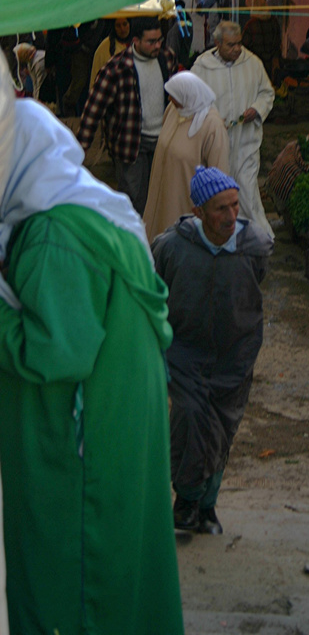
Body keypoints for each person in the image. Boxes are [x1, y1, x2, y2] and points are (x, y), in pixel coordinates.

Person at [0, 95, 184, 635]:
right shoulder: (87, 208)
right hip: (115, 428)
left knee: (80, 588)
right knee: (125, 577)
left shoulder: (55, 234)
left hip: (84, 447)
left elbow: (57, 351)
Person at [152, 166, 273, 535]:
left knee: (222, 429)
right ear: (199, 211)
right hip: (185, 352)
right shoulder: (171, 246)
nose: (231, 216)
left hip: (235, 355)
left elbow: (256, 285)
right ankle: (186, 500)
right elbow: (156, 291)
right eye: (221, 209)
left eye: (235, 206)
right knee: (190, 418)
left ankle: (206, 506)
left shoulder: (255, 246)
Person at [77, 16, 177, 215]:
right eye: (151, 41)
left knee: (158, 196)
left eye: (159, 40)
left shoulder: (166, 57)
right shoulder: (116, 68)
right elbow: (93, 110)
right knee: (133, 200)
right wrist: (78, 151)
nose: (157, 45)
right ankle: (132, 240)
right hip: (131, 143)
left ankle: (152, 240)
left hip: (162, 140)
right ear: (136, 41)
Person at [192, 20, 275, 237]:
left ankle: (257, 237)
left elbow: (267, 93)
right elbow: (190, 99)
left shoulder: (253, 63)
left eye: (239, 43)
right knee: (219, 193)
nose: (237, 49)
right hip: (216, 143)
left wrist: (256, 109)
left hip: (246, 141)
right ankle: (222, 235)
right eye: (230, 45)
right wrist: (210, 121)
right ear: (217, 43)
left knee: (247, 192)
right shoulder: (202, 67)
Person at [143, 72, 230, 242]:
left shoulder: (212, 125)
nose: (170, 99)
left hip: (184, 205)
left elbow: (220, 176)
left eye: (174, 95)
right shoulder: (174, 110)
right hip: (161, 200)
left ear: (189, 95)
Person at [241, 0, 282, 80]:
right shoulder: (274, 21)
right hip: (270, 69)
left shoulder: (251, 25)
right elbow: (277, 45)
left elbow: (243, 48)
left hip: (254, 70)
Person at [88, 17, 132, 90]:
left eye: (125, 24)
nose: (122, 29)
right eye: (118, 26)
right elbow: (95, 78)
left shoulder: (137, 44)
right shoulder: (104, 48)